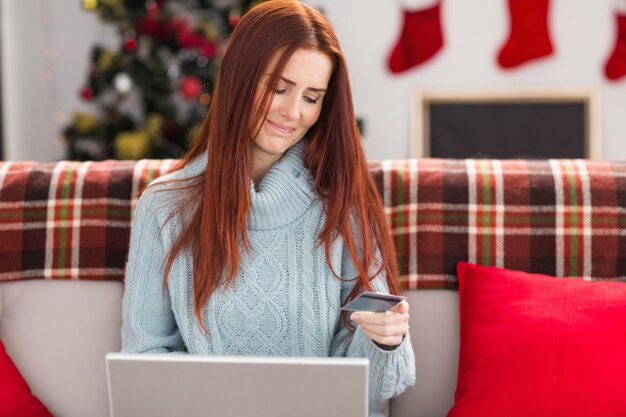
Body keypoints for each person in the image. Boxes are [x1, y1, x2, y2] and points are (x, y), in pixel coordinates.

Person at [121, 0, 416, 415]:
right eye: (278, 88)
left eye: (312, 97)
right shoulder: (164, 207)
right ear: (239, 79)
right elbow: (145, 362)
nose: (293, 113)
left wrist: (385, 339)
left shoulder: (342, 203)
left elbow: (371, 390)